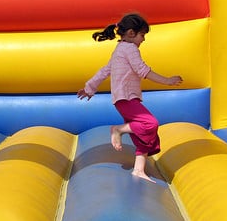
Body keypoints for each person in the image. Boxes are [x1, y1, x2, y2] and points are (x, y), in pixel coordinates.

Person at [77, 13, 183, 183]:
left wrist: (90, 88)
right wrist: (167, 81)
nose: (144, 40)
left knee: (145, 136)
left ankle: (138, 170)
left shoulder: (119, 49)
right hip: (126, 97)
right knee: (150, 124)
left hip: (123, 99)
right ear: (132, 33)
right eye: (143, 35)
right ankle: (118, 130)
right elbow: (143, 70)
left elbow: (105, 70)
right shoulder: (130, 48)